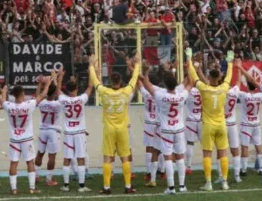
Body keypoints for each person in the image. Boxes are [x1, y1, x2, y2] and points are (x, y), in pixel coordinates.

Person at [88, 53, 140, 194]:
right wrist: (137, 64)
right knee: (125, 158)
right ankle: (128, 186)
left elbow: (94, 81)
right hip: (123, 129)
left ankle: (106, 187)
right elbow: (134, 79)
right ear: (120, 80)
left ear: (110, 80)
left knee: (107, 157)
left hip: (109, 129)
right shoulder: (126, 91)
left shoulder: (105, 92)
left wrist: (91, 65)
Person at [0, 76, 51, 195]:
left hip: (14, 139)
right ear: (22, 94)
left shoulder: (9, 106)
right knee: (30, 162)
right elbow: (42, 95)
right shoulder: (28, 105)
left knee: (14, 163)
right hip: (27, 139)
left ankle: (13, 189)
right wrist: (47, 83)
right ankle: (32, 188)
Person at [186, 48, 234, 191]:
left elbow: (194, 76)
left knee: (207, 154)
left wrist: (189, 60)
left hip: (207, 125)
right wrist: (230, 62)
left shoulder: (204, 88)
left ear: (209, 77)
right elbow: (229, 77)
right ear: (219, 77)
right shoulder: (224, 88)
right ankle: (224, 182)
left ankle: (208, 183)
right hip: (221, 125)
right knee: (223, 153)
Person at [142, 66, 190, 194]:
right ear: (176, 85)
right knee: (180, 157)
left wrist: (145, 71)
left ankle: (171, 188)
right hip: (179, 129)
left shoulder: (160, 96)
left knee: (168, 157)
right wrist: (191, 66)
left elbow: (147, 85)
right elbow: (189, 82)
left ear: (165, 85)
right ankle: (182, 186)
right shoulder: (181, 96)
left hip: (166, 130)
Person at [57, 71, 93, 192]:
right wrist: (91, 70)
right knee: (81, 157)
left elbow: (58, 90)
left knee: (67, 158)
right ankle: (81, 186)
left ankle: (66, 185)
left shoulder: (63, 99)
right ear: (77, 89)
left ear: (66, 89)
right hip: (79, 132)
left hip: (68, 133)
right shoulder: (81, 99)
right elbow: (90, 87)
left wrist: (60, 77)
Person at [233, 66, 262, 176]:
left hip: (246, 124)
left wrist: (238, 70)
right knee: (258, 145)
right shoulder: (260, 95)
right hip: (256, 124)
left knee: (245, 147)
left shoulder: (244, 95)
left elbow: (235, 89)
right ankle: (261, 168)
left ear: (247, 85)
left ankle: (244, 170)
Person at [35, 71, 63, 186]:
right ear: (54, 94)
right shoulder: (58, 104)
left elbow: (37, 96)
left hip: (43, 130)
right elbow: (59, 92)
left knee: (40, 153)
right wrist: (57, 78)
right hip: (53, 131)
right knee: (52, 156)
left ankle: (36, 176)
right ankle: (48, 179)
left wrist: (40, 85)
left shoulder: (41, 103)